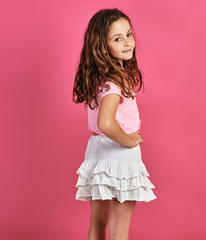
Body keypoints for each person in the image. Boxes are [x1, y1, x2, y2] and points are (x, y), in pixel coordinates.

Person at [72, 8, 157, 240]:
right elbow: (106, 123)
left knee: (98, 221)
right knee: (119, 229)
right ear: (102, 46)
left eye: (128, 34)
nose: (128, 42)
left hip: (98, 152)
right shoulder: (114, 84)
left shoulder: (99, 80)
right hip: (120, 155)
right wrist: (130, 141)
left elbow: (101, 124)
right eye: (117, 38)